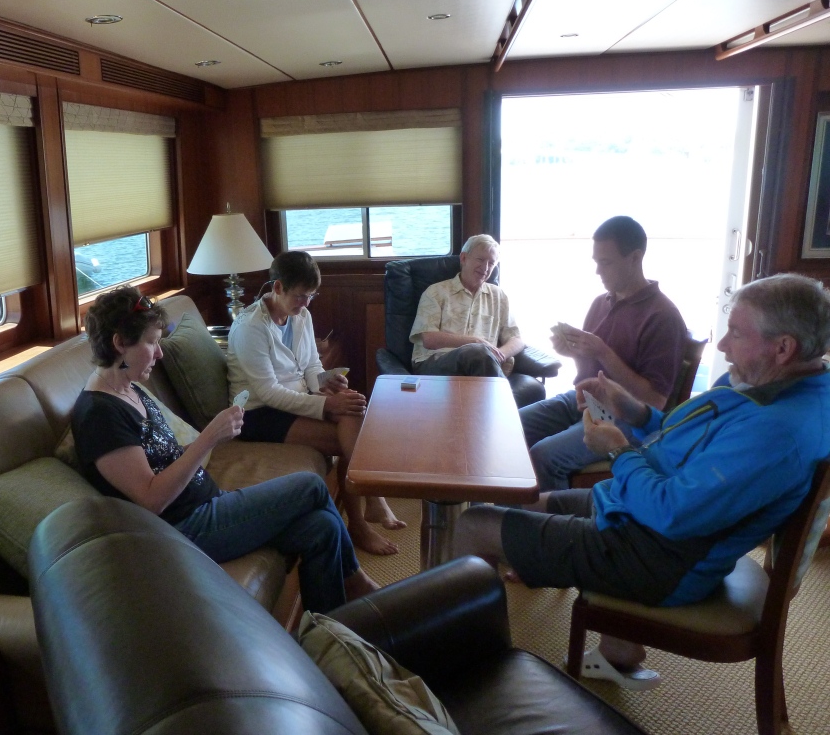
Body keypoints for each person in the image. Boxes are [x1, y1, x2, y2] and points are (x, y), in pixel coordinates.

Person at [454, 273, 830, 689]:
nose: (723, 345)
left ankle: (476, 673)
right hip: (639, 515)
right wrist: (632, 410)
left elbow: (672, 512)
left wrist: (618, 452)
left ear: (783, 348)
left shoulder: (776, 432)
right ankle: (619, 652)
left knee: (474, 524)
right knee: (526, 503)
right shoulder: (783, 387)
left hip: (656, 556)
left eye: (737, 333)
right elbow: (683, 440)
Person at [70, 286, 379, 614]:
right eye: (151, 343)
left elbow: (167, 456)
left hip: (207, 504)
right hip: (183, 529)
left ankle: (329, 628)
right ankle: (356, 582)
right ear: (120, 343)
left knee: (323, 528)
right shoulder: (99, 415)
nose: (159, 354)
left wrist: (209, 439)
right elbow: (151, 499)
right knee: (310, 486)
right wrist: (210, 437)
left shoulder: (129, 389)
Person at [227, 251, 405, 556]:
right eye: (300, 295)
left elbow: (310, 365)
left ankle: (366, 511)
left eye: (311, 295)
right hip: (257, 413)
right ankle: (366, 511)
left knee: (352, 408)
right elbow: (268, 392)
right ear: (278, 287)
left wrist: (326, 383)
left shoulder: (301, 316)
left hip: (294, 398)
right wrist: (325, 406)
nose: (306, 303)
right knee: (346, 430)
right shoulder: (250, 328)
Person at [519, 216, 687, 490]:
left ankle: (550, 514)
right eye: (596, 262)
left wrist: (603, 352)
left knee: (543, 456)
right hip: (585, 400)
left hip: (626, 418)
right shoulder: (602, 302)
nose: (598, 271)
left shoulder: (663, 317)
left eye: (605, 263)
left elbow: (654, 401)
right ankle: (503, 504)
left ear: (635, 258)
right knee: (510, 429)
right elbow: (590, 368)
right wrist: (573, 352)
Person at [409, 234, 526, 379]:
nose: (485, 267)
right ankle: (500, 390)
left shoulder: (499, 296)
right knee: (477, 352)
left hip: (482, 363)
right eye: (480, 260)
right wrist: (477, 342)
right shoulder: (435, 292)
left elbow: (516, 339)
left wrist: (499, 355)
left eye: (491, 263)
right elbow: (429, 339)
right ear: (464, 258)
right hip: (434, 362)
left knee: (479, 356)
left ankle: (493, 386)